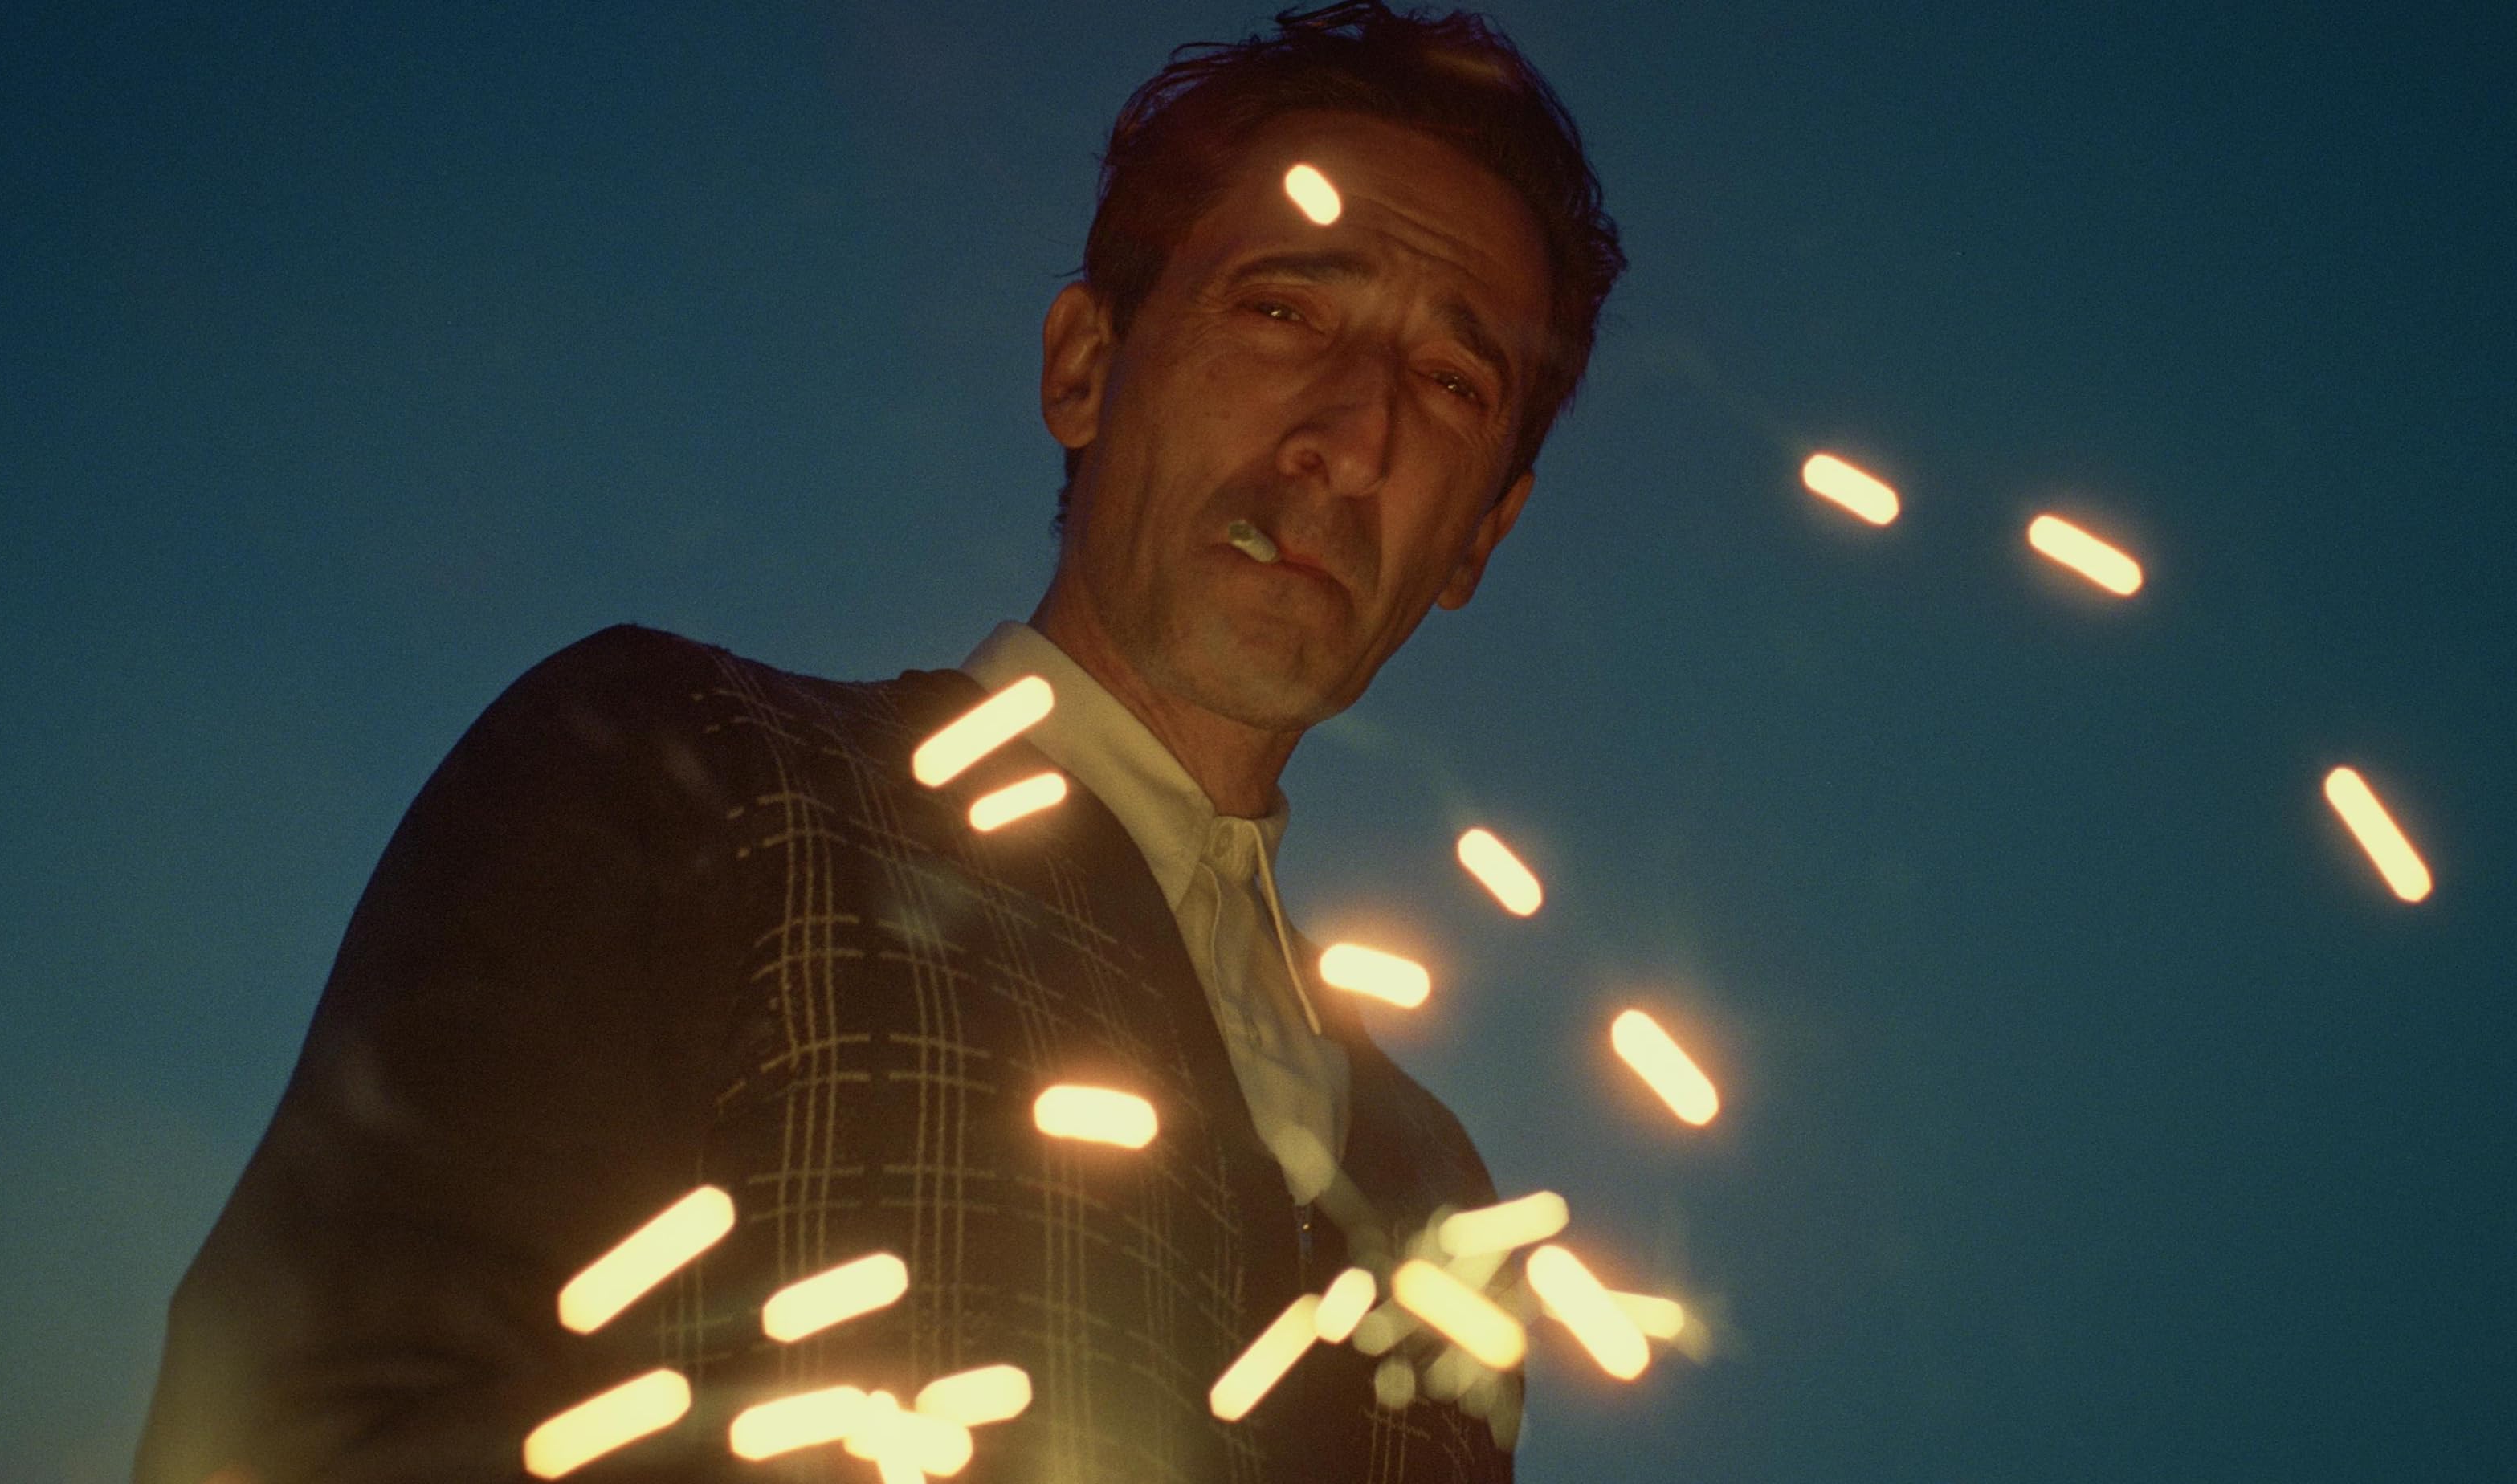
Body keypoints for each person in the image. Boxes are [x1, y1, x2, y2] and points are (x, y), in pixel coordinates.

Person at [134, 4, 1623, 1481]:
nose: (1351, 439)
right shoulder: (685, 771)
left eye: (1451, 384)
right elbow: (305, 1427)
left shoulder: (1440, 1193)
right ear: (1084, 368)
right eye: (1282, 311)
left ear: (1478, 535)